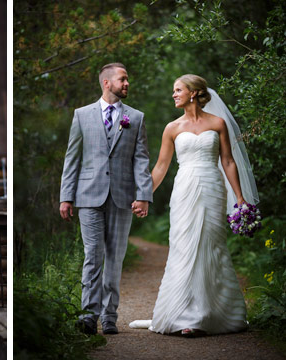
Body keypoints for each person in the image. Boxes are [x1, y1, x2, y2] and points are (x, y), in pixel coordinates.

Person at [129, 75, 256, 336]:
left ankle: (215, 313)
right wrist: (144, 196)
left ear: (194, 93)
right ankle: (185, 315)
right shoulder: (172, 128)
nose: (173, 95)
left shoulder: (218, 123)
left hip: (212, 187)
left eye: (178, 90)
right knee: (184, 245)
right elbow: (161, 167)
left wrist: (240, 198)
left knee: (212, 245)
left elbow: (228, 162)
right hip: (185, 189)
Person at [59, 62, 153, 335]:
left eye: (128, 80)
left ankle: (110, 317)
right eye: (123, 79)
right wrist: (66, 196)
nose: (127, 84)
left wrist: (143, 195)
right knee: (93, 255)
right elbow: (72, 158)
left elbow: (141, 159)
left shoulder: (135, 117)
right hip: (88, 196)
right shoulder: (82, 115)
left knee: (115, 258)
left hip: (123, 197)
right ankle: (88, 315)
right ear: (106, 83)